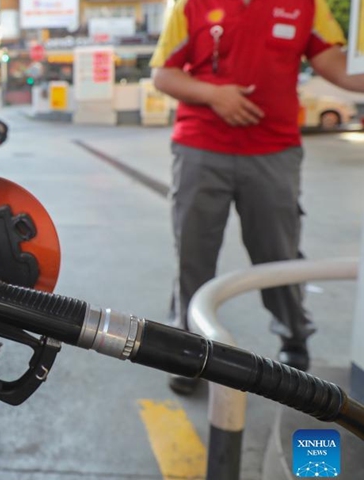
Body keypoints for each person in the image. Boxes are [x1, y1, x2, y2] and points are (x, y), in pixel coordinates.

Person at [150, 0, 364, 394]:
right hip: (200, 149)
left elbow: (335, 65)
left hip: (273, 152)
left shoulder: (306, 6)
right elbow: (163, 75)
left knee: (278, 254)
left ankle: (294, 339)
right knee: (193, 255)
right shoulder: (191, 5)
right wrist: (215, 95)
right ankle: (187, 350)